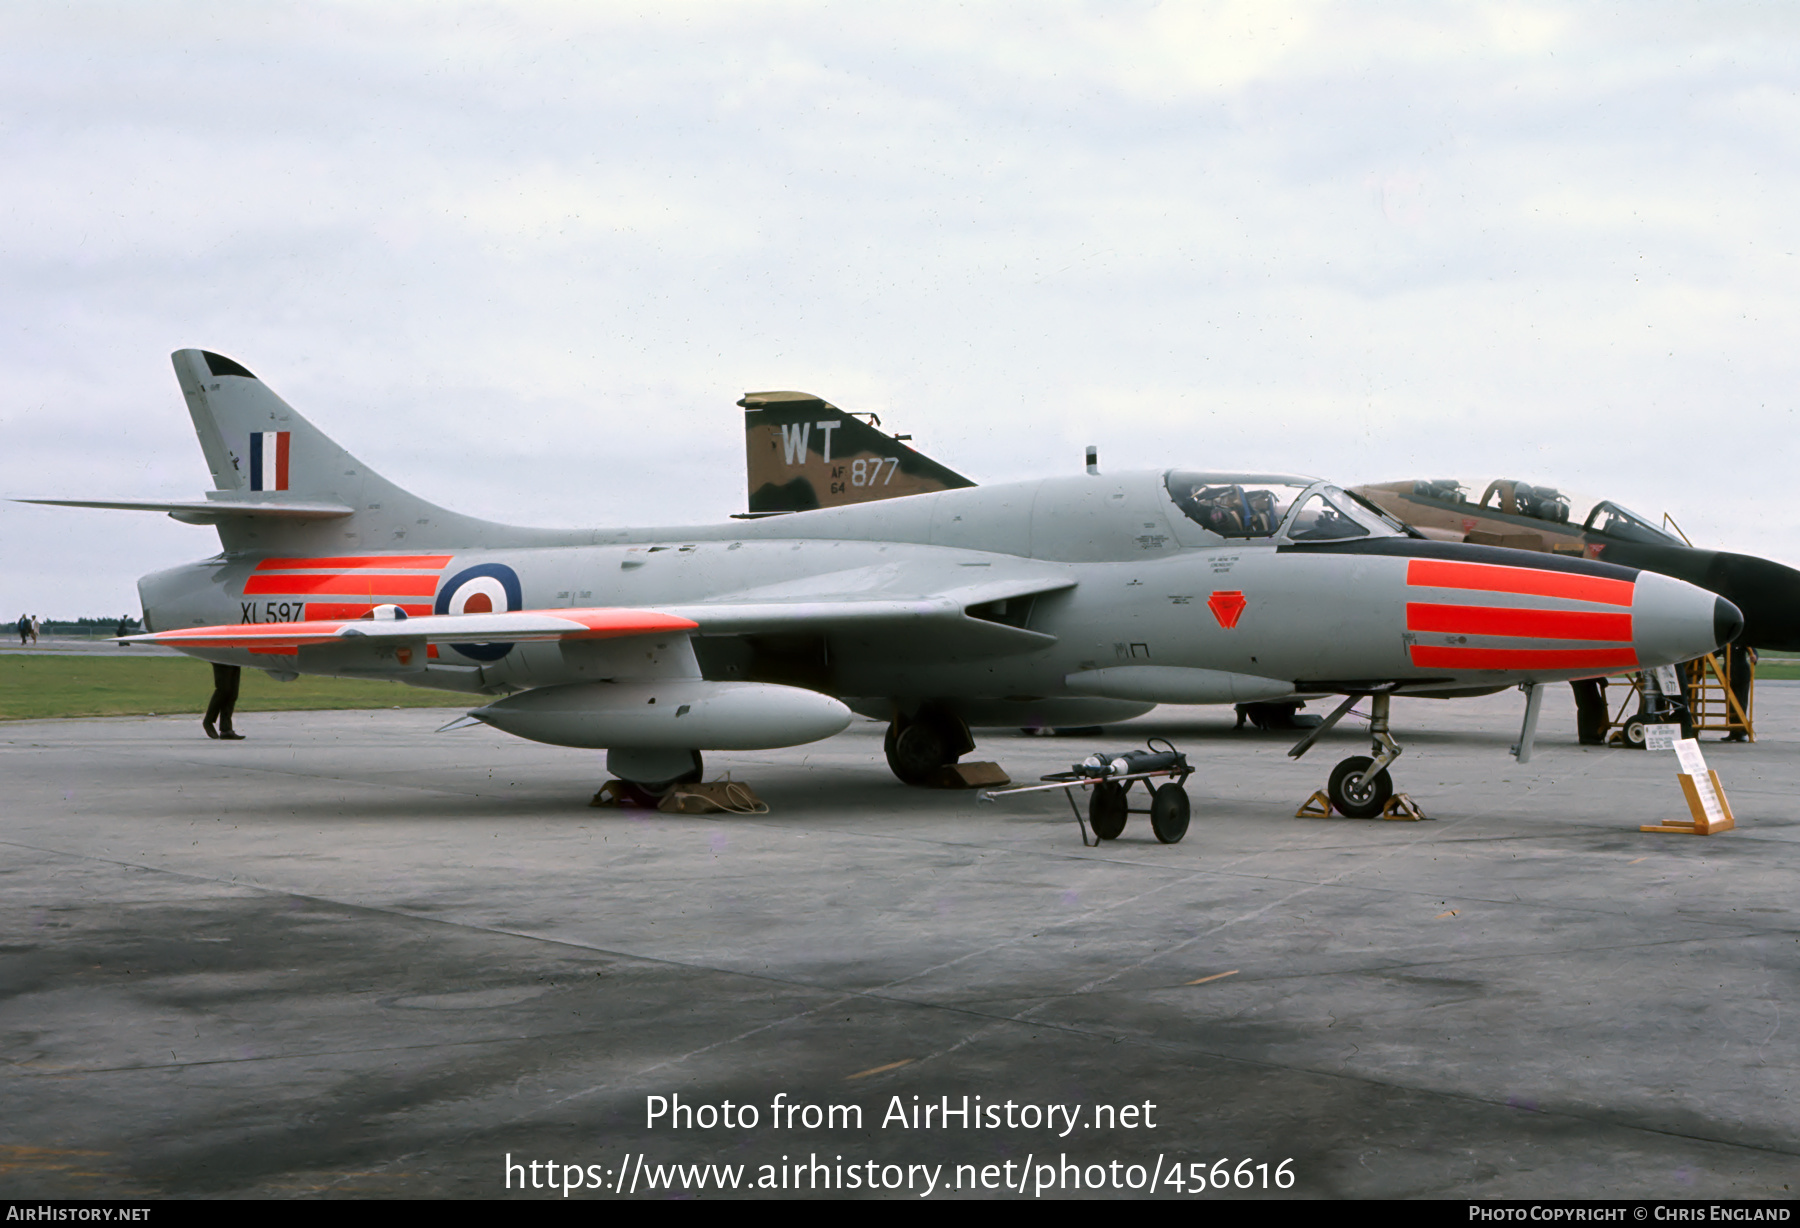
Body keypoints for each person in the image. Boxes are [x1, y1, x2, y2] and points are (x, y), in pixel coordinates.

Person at [204, 663, 244, 740]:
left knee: (233, 692)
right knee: (224, 689)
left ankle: (226, 729)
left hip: (234, 657)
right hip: (222, 655)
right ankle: (208, 721)